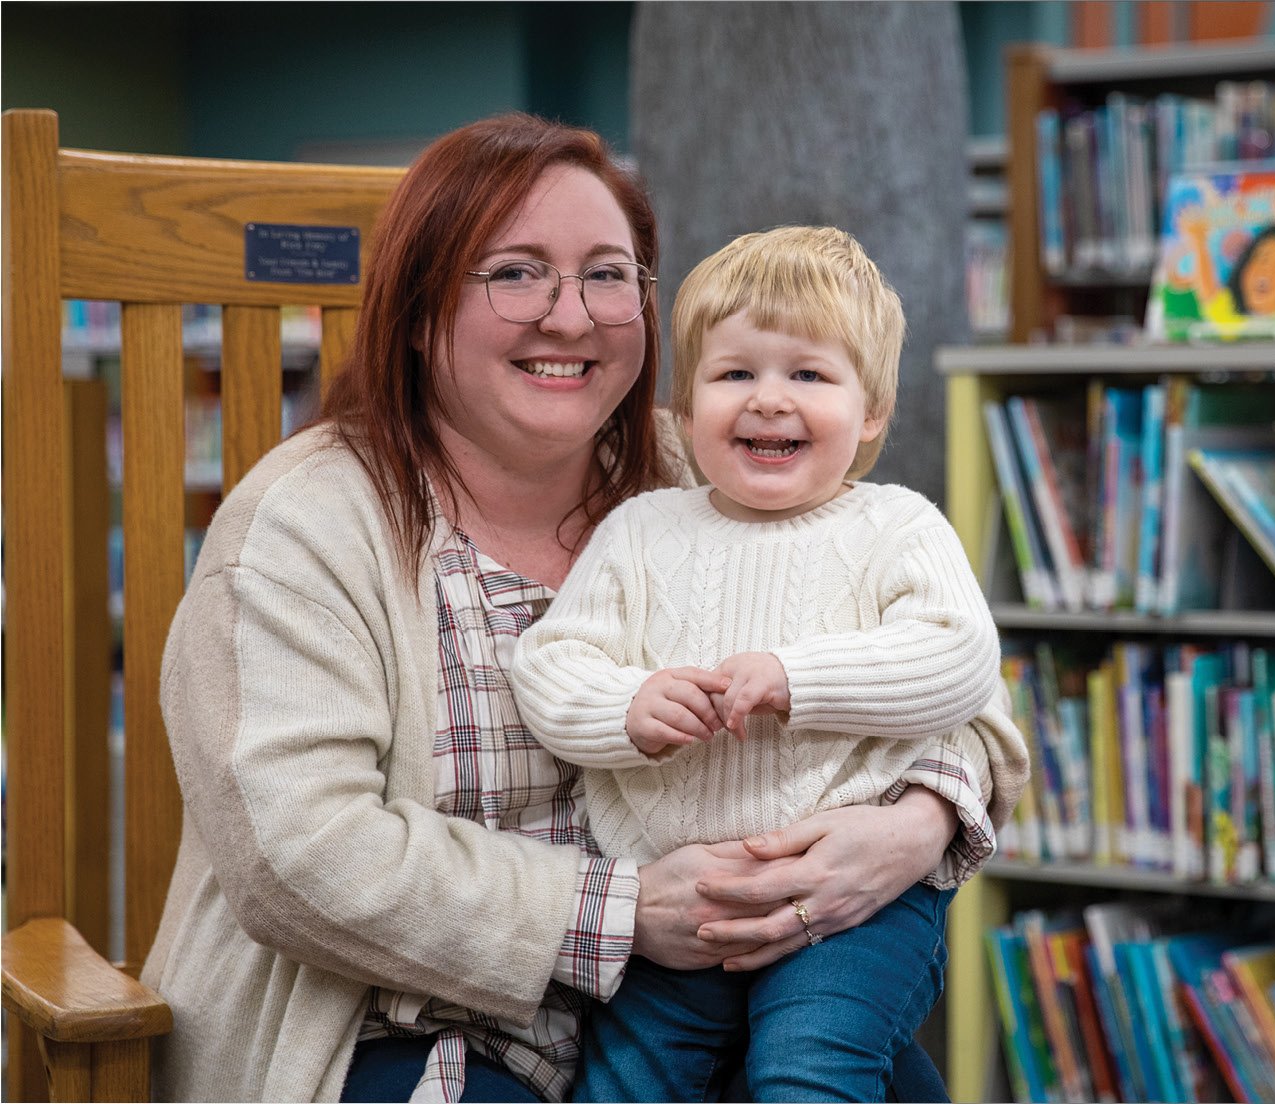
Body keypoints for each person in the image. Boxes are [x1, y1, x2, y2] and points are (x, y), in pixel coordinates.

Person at [138, 113, 1018, 1103]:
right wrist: (622, 913)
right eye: (515, 273)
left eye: (608, 274)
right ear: (421, 310)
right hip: (404, 1028)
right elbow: (301, 857)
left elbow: (959, 692)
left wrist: (916, 825)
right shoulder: (302, 527)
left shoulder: (711, 467)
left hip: (725, 991)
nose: (571, 315)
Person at [510, 226, 1027, 1102]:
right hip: (675, 897)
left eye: (809, 375)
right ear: (685, 402)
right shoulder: (640, 530)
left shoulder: (898, 527)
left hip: (856, 908)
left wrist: (799, 679)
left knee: (810, 1073)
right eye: (735, 373)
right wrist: (628, 706)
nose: (769, 401)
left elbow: (962, 657)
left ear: (871, 411)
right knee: (624, 1087)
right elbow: (551, 662)